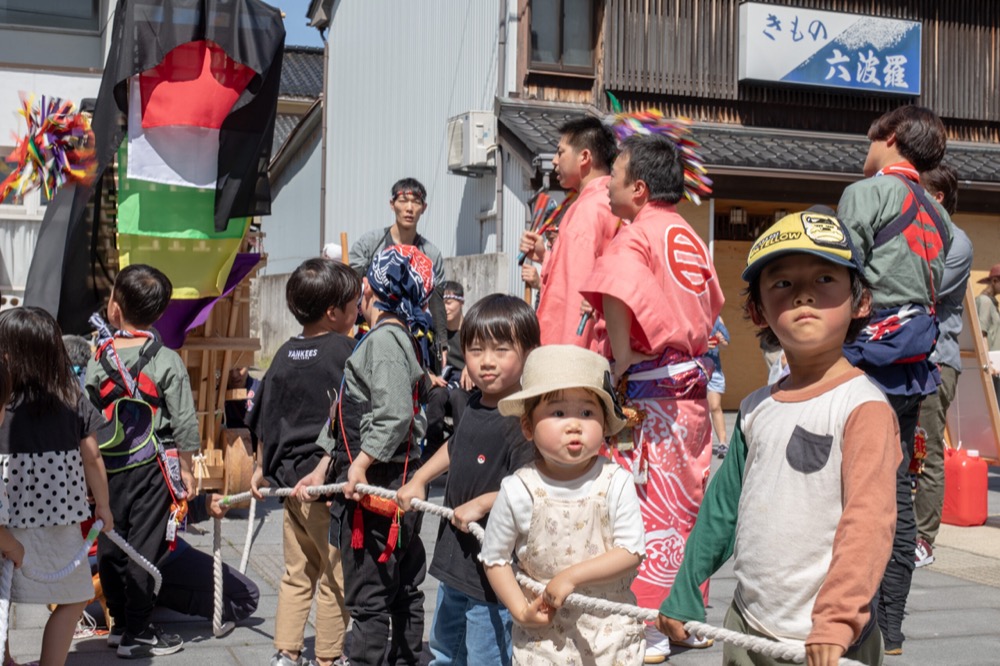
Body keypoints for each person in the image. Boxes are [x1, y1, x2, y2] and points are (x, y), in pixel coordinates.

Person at [658, 210, 901, 666]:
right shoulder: (754, 408)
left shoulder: (861, 407)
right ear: (757, 311)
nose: (804, 293)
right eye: (782, 284)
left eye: (825, 277)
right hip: (749, 627)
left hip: (829, 638)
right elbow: (722, 509)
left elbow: (868, 523)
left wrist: (838, 618)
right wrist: (686, 584)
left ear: (860, 300)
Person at [579, 132, 724, 662]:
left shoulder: (637, 233)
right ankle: (688, 617)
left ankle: (654, 627)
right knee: (689, 505)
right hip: (692, 390)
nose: (608, 188)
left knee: (650, 510)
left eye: (613, 178)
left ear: (637, 189)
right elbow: (712, 305)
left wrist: (620, 356)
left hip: (655, 391)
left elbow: (615, 286)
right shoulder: (685, 232)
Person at [836, 105, 953, 655]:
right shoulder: (939, 215)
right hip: (914, 368)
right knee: (898, 497)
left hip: (864, 363)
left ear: (891, 137)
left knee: (848, 494)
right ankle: (893, 627)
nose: (866, 144)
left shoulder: (867, 195)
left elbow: (840, 273)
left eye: (871, 135)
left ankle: (849, 622)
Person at [298, 245, 435, 666]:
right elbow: (344, 412)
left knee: (375, 594)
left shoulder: (386, 341)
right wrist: (322, 466)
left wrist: (358, 465)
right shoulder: (388, 339)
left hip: (379, 486)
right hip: (381, 479)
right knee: (399, 587)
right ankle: (403, 658)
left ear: (370, 291)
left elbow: (393, 414)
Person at [395, 294, 540, 665]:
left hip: (495, 569)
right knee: (444, 647)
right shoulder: (472, 404)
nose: (486, 361)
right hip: (454, 557)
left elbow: (530, 483)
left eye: (501, 350)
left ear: (530, 353)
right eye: (476, 350)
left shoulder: (525, 418)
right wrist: (419, 479)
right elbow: (454, 447)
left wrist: (483, 503)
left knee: (486, 654)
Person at [479, 344, 645, 664]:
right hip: (543, 638)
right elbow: (495, 558)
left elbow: (631, 551)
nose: (574, 424)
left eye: (587, 412)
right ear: (528, 427)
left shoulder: (616, 482)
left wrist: (571, 577)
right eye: (557, 413)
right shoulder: (518, 490)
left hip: (610, 636)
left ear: (605, 422)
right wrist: (519, 610)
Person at [248, 258, 358, 666]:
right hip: (324, 485)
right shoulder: (346, 352)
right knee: (335, 576)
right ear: (333, 313)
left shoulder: (283, 354)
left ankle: (286, 652)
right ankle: (329, 657)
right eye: (353, 304)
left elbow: (262, 417)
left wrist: (261, 466)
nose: (358, 311)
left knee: (297, 573)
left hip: (288, 485)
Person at [85, 265, 197, 659]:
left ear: (115, 308)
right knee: (145, 547)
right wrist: (187, 467)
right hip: (153, 468)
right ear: (161, 311)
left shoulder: (100, 358)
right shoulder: (166, 360)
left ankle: (119, 623)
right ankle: (139, 630)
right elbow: (183, 418)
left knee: (110, 542)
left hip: (107, 466)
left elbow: (86, 412)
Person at [0, 308, 112, 666]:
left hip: (6, 517)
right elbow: (93, 456)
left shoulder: (3, 402)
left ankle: (5, 657)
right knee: (76, 595)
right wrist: (104, 506)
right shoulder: (70, 393)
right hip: (58, 517)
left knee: (3, 595)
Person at [913, 164, 973, 569]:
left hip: (936, 361)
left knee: (928, 450)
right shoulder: (916, 236)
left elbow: (925, 287)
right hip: (906, 357)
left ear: (939, 198)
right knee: (901, 450)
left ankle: (923, 539)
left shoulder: (958, 241)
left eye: (923, 193)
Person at [520, 117, 620, 350]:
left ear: (584, 157)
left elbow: (574, 294)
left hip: (573, 347)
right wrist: (545, 256)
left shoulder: (589, 208)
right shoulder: (606, 201)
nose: (554, 161)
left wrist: (565, 357)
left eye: (560, 152)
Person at [349, 178, 447, 364]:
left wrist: (442, 344)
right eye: (403, 201)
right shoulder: (370, 244)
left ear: (424, 207)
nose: (409, 208)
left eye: (416, 202)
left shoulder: (431, 254)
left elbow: (437, 301)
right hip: (370, 331)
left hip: (416, 337)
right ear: (392, 204)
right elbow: (351, 287)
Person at [421, 280, 472, 461]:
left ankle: (462, 449)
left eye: (449, 303)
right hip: (442, 383)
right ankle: (431, 452)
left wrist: (471, 366)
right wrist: (430, 375)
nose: (446, 308)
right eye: (442, 304)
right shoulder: (434, 333)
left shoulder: (471, 330)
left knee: (459, 396)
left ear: (461, 302)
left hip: (465, 386)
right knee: (437, 395)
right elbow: (422, 358)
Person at [975, 263, 1000, 409]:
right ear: (994, 281)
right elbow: (981, 333)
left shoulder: (992, 303)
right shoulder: (984, 302)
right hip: (991, 369)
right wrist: (987, 363)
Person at [707, 317, 731, 458]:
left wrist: (721, 341)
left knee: (715, 406)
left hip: (714, 370)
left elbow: (725, 343)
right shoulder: (689, 312)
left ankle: (722, 443)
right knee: (698, 410)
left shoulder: (717, 319)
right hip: (694, 369)